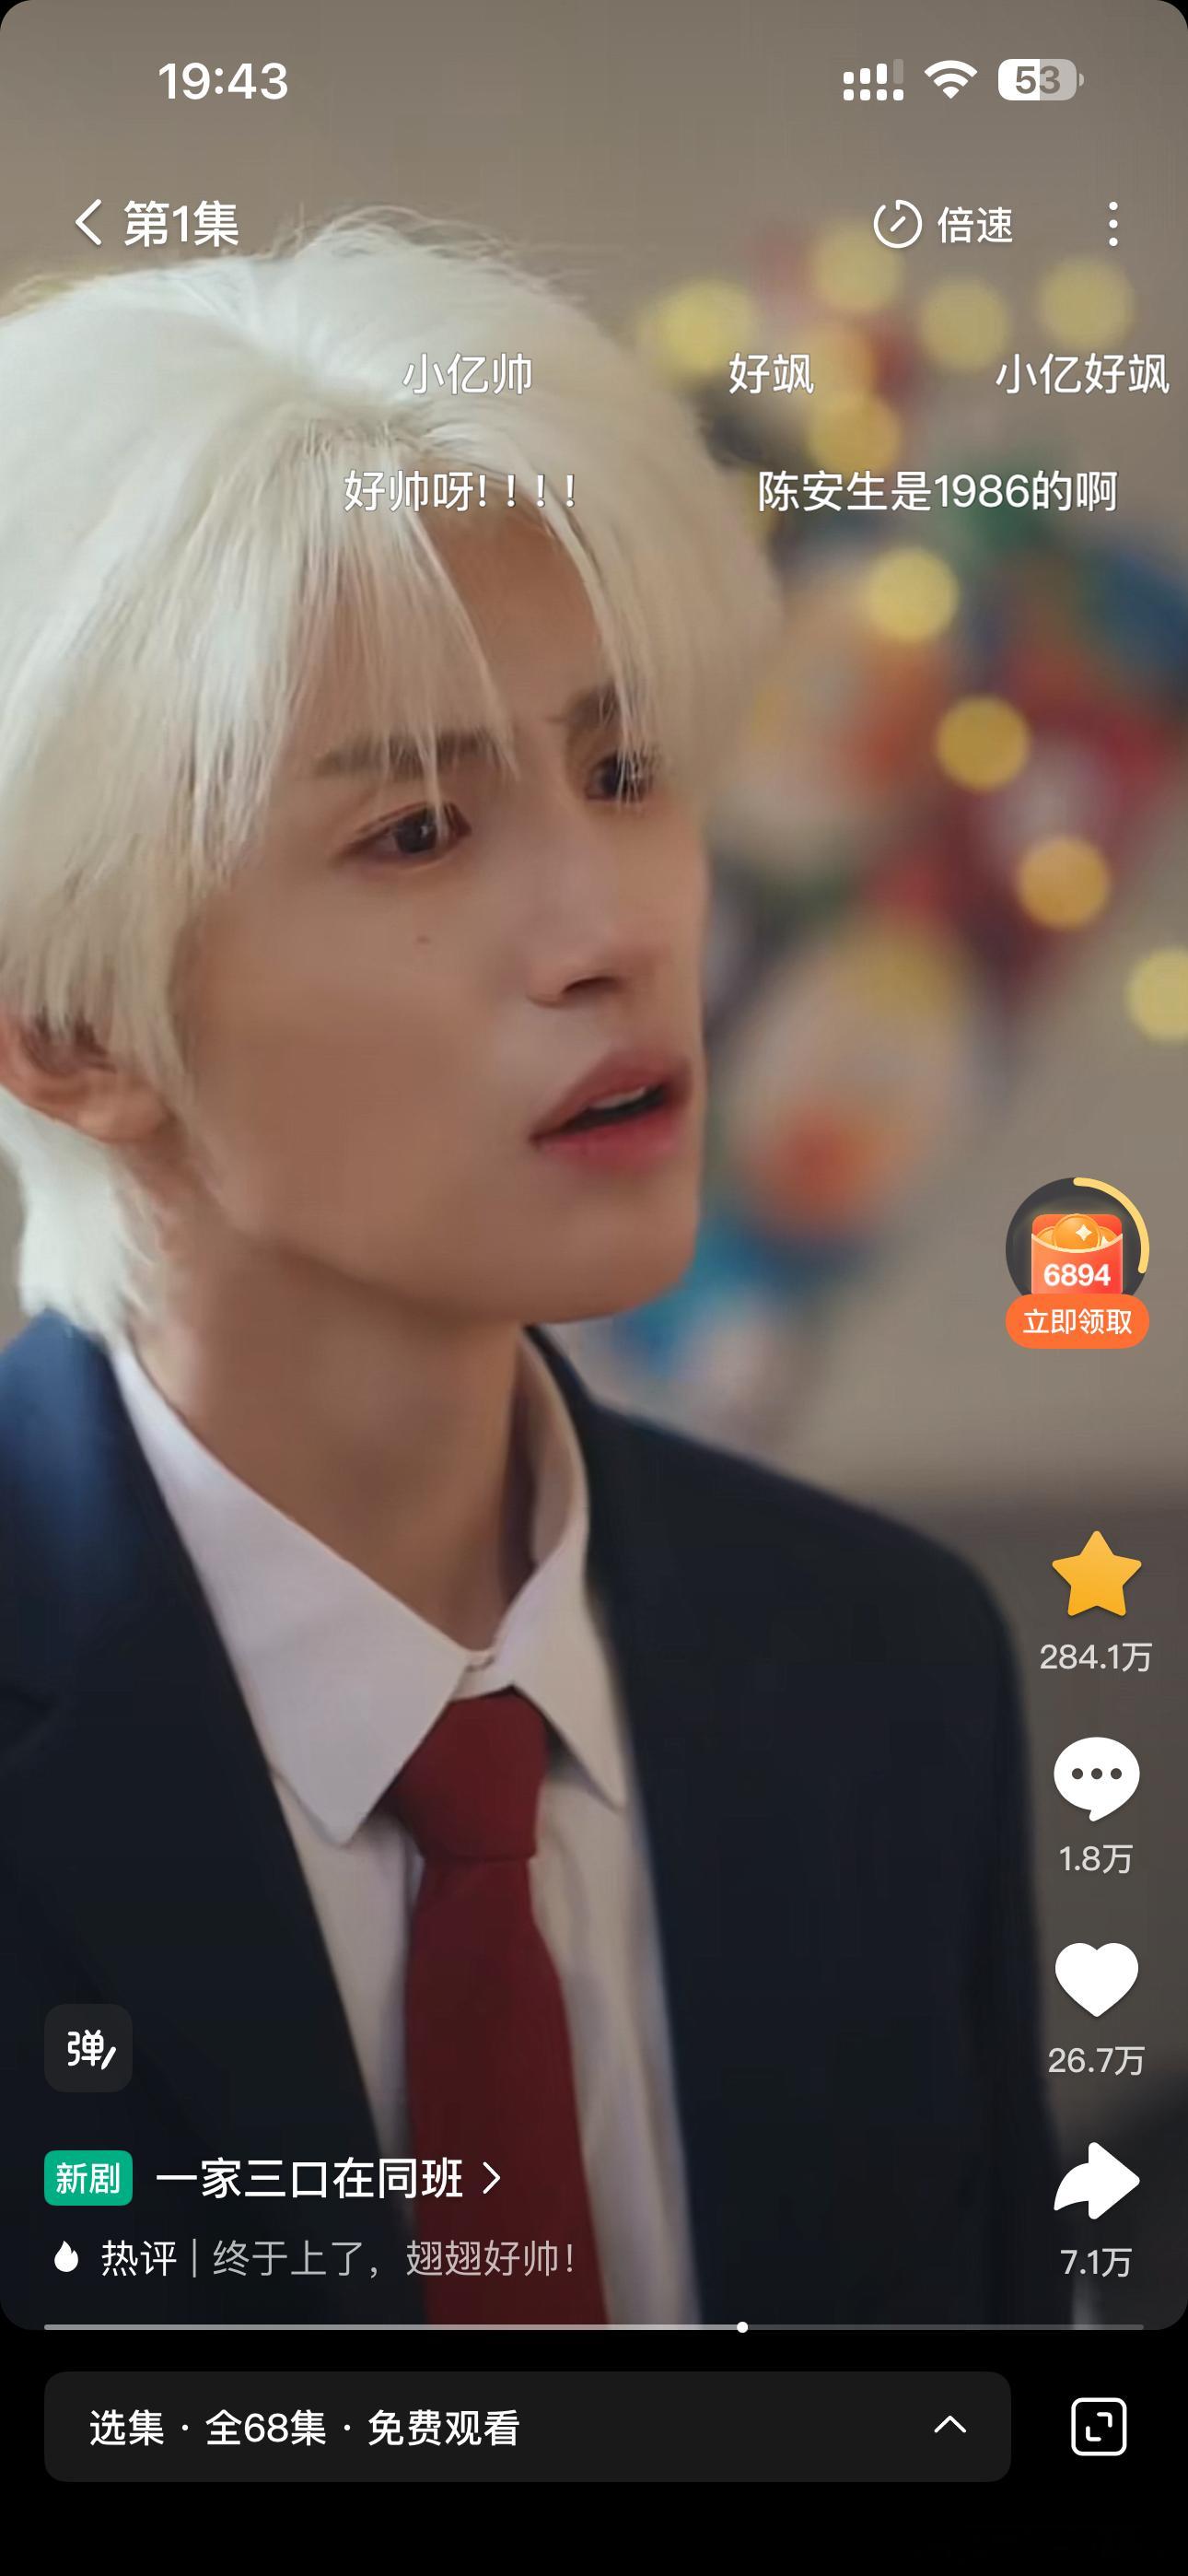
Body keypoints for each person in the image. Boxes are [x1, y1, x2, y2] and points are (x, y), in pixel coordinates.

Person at [0, 216, 1063, 2328]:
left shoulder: (892, 1676)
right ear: (75, 1031)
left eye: (625, 769)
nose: (622, 929)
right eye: (416, 829)